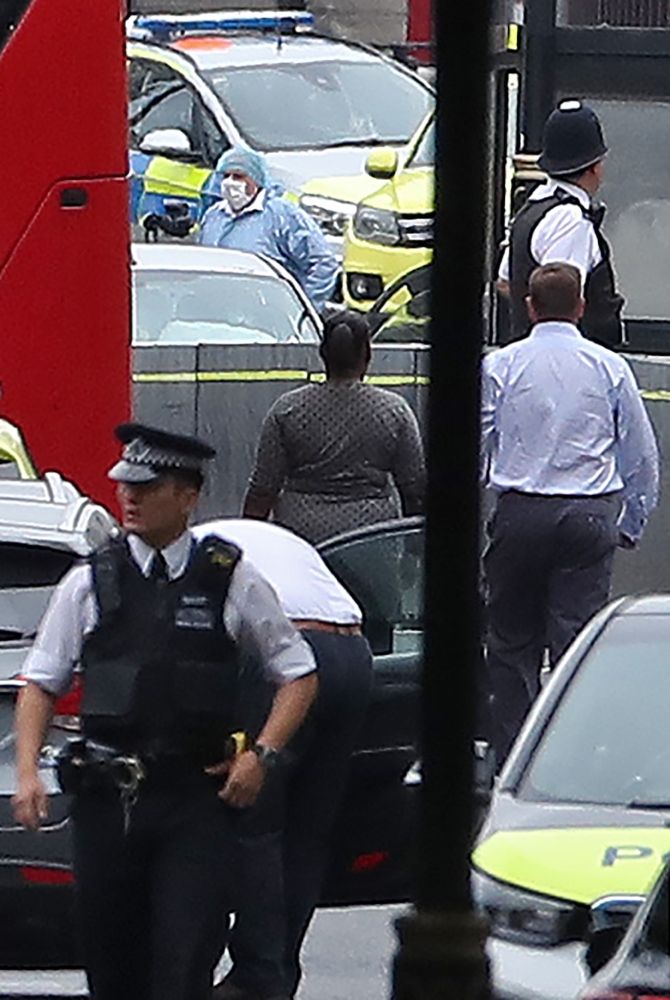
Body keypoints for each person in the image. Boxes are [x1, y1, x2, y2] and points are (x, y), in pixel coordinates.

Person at [12, 424, 318, 1000]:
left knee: (184, 959)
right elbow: (40, 682)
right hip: (107, 802)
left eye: (147, 486)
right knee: (111, 963)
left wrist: (262, 755)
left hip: (193, 803)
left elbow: (297, 673)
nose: (129, 497)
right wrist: (29, 772)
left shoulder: (229, 579)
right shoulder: (91, 581)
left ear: (187, 496)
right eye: (125, 484)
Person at [481, 263, 659, 766]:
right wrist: (632, 521)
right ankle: (573, 760)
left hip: (520, 514)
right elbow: (640, 453)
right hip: (588, 516)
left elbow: (476, 441)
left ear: (529, 307)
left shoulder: (502, 365)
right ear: (581, 307)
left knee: (511, 642)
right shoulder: (608, 367)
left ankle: (514, 757)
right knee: (577, 645)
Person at [192, 518, 373, 1000]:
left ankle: (256, 974)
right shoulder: (261, 539)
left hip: (290, 651)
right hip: (354, 652)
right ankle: (278, 971)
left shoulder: (189, 559)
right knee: (306, 834)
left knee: (255, 824)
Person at [243, 310, 426, 545]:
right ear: (367, 354)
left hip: (301, 540)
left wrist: (248, 545)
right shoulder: (394, 410)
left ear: (322, 353)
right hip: (371, 539)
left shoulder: (287, 409)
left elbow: (263, 490)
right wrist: (414, 551)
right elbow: (414, 489)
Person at [497, 100, 625, 348]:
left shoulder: (532, 208)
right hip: (573, 364)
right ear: (595, 168)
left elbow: (504, 281)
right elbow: (562, 304)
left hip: (528, 353)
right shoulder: (570, 221)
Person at [199, 147, 339, 313]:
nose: (230, 183)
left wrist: (302, 309)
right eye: (225, 176)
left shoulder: (282, 215)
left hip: (268, 316)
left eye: (238, 176)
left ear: (256, 179)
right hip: (221, 311)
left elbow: (324, 263)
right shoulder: (214, 216)